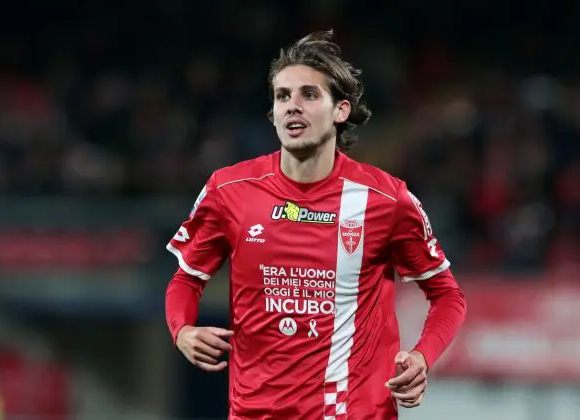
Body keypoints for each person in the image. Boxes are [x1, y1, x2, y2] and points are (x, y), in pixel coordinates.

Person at [165, 30, 467, 419]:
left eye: (309, 95)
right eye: (282, 96)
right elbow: (186, 280)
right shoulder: (229, 190)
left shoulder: (387, 201)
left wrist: (423, 356)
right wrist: (182, 331)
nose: (293, 106)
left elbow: (448, 297)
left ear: (340, 111)